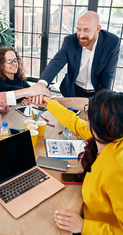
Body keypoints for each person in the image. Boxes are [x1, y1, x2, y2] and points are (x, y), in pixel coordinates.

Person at [40, 90, 123, 234]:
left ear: (96, 122)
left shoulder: (117, 168)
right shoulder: (107, 135)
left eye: (87, 111)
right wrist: (49, 103)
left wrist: (83, 226)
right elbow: (74, 122)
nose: (85, 116)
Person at [38, 11, 120, 98]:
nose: (81, 35)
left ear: (98, 28)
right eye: (79, 29)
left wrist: (103, 100)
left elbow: (108, 76)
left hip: (96, 92)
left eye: (86, 30)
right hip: (72, 90)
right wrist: (41, 84)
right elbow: (56, 62)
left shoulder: (112, 42)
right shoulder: (70, 41)